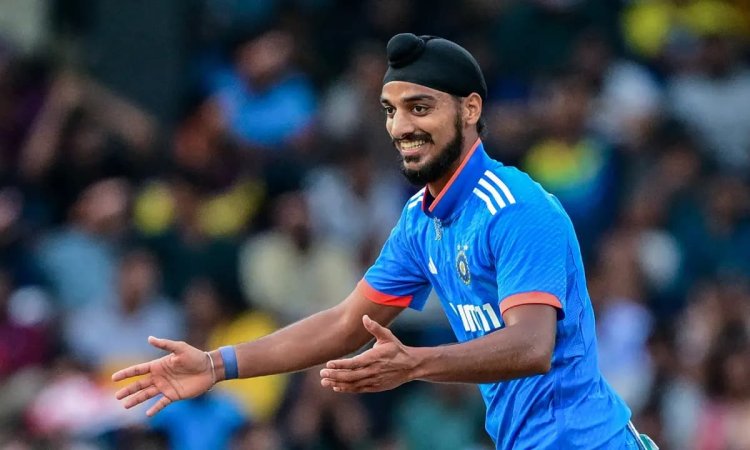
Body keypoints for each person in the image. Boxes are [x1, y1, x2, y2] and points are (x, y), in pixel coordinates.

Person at [113, 33, 658, 450]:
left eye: (420, 107)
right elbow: (344, 324)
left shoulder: (514, 208)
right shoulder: (421, 220)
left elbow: (531, 347)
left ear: (470, 109)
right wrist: (216, 365)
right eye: (391, 111)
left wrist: (414, 363)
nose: (400, 127)